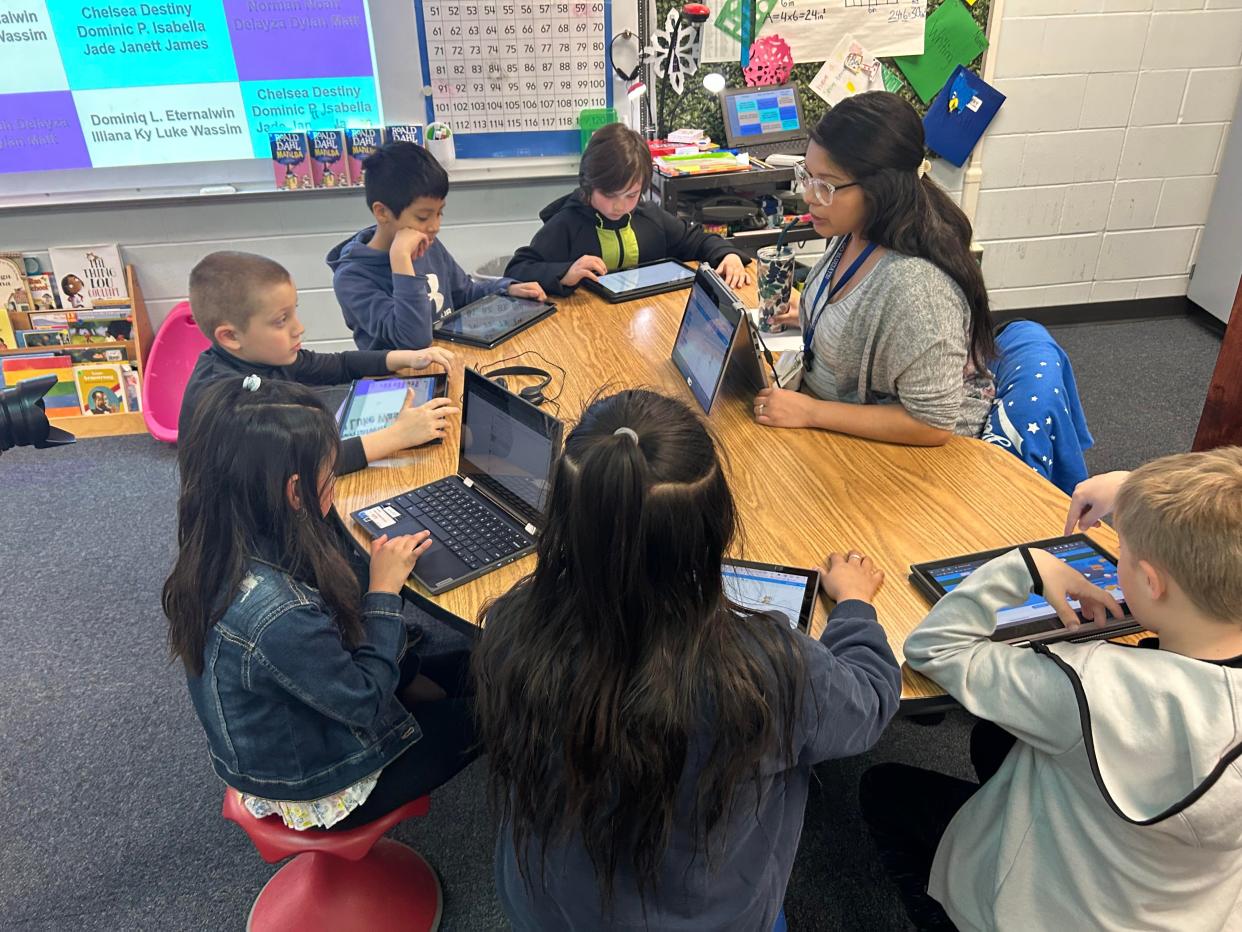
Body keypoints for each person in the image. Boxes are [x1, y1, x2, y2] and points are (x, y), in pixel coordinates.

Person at [472, 388, 901, 930]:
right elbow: (871, 700)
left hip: (546, 908)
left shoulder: (511, 624)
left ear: (565, 515)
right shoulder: (767, 670)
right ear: (715, 527)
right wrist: (856, 605)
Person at [861, 448, 1242, 930]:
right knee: (993, 740)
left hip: (1053, 911)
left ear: (1150, 581)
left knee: (882, 788)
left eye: (1122, 549)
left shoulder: (1086, 688)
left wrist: (1028, 566)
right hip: (1190, 904)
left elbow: (935, 648)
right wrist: (1136, 494)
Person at [164, 378, 478, 832]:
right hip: (325, 782)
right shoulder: (277, 614)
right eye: (330, 475)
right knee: (503, 712)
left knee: (477, 666)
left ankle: (423, 688)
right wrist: (384, 591)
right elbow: (366, 701)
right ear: (295, 492)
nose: (334, 482)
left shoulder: (219, 542)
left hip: (300, 724)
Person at [754, 92, 995, 446]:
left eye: (826, 185)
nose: (808, 195)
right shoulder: (854, 231)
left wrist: (810, 413)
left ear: (881, 189)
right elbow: (858, 322)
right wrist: (808, 314)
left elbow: (933, 424)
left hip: (902, 462)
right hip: (828, 425)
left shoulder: (920, 291)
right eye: (807, 176)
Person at [181, 251, 458, 476]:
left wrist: (408, 356)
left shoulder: (258, 355)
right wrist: (400, 434)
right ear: (230, 336)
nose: (298, 328)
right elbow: (315, 464)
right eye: (281, 320)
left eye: (294, 313)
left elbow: (339, 365)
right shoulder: (231, 403)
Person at [327, 141, 546, 351]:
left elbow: (464, 293)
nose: (435, 226)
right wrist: (401, 261)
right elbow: (414, 340)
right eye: (423, 217)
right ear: (382, 212)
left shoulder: (427, 243)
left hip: (447, 361)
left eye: (439, 213)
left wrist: (505, 288)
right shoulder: (352, 279)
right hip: (400, 381)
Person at [504, 123, 753, 296]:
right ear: (588, 184)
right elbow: (517, 269)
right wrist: (564, 273)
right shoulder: (566, 224)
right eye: (609, 194)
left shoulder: (648, 217)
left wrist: (727, 255)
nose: (620, 206)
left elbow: (697, 240)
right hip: (586, 336)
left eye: (631, 195)